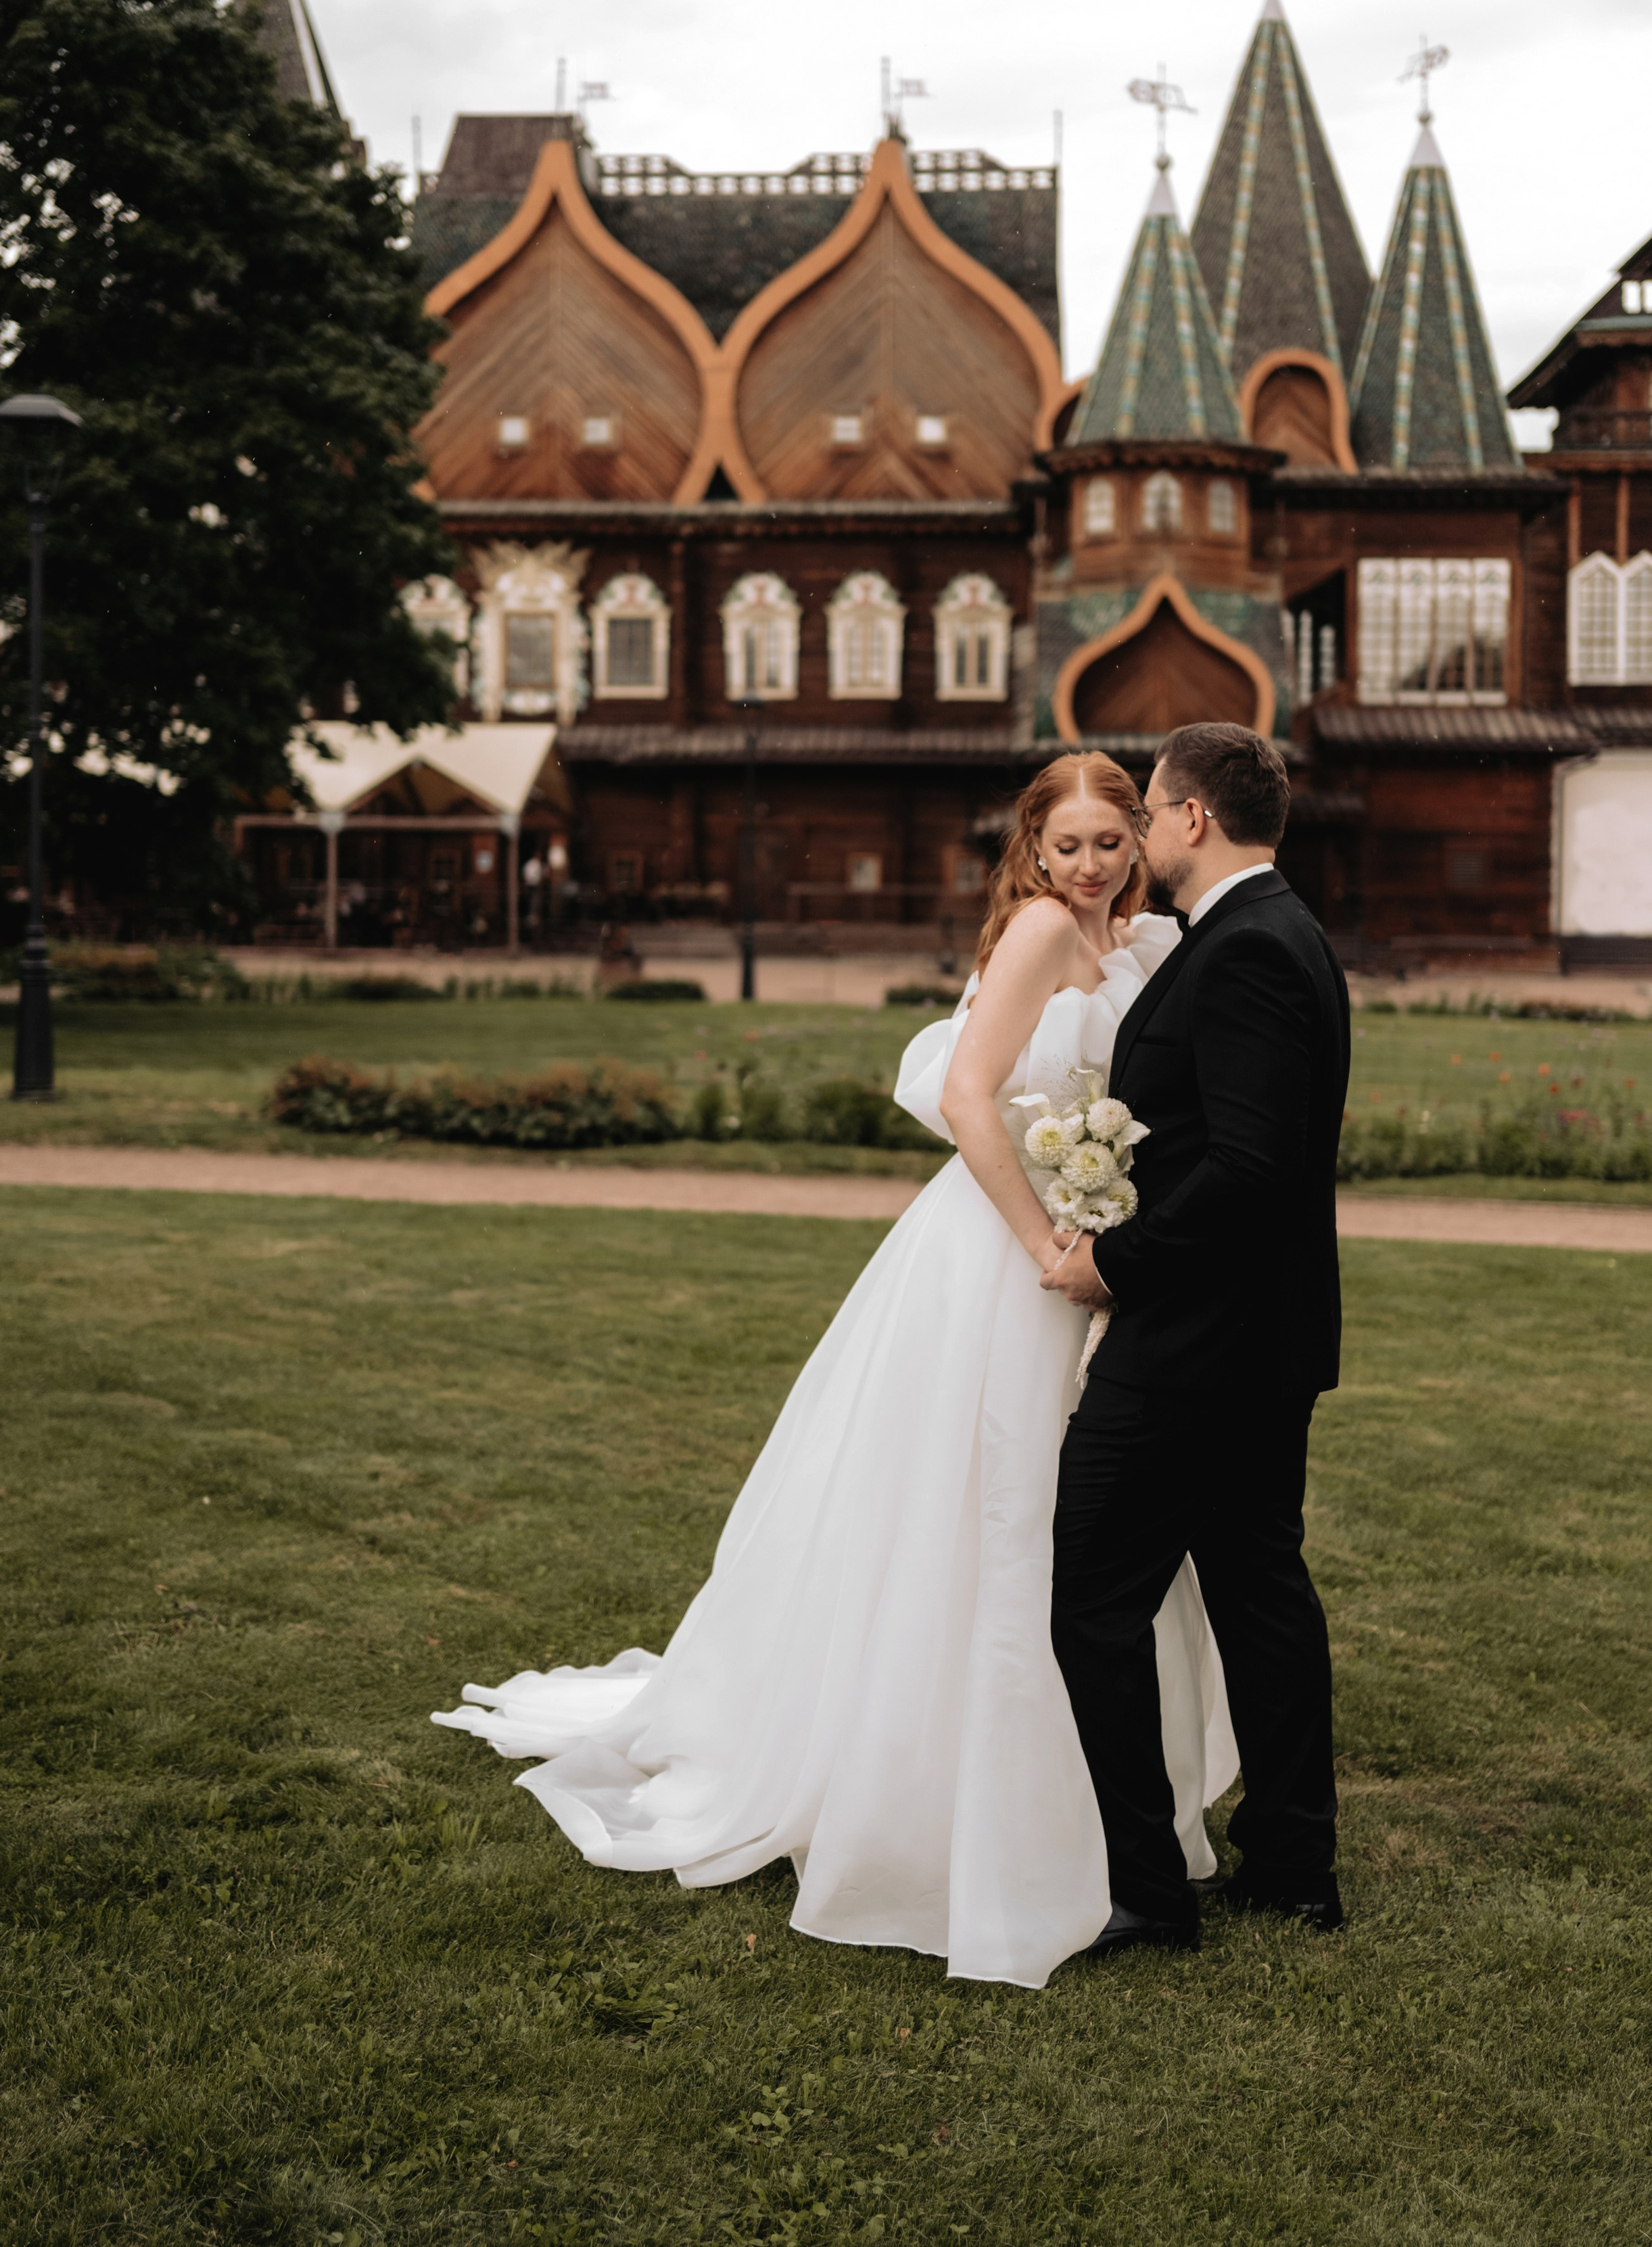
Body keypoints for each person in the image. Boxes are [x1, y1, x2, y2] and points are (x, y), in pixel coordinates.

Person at [432, 753, 1237, 1989]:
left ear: (1143, 839)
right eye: (1068, 845)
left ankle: (1097, 1801)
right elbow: (973, 1100)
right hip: (1001, 1244)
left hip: (1082, 1236)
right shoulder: (1034, 933)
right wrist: (1047, 1245)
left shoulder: (1135, 943)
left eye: (1112, 842)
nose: (1090, 865)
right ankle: (936, 1790)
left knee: (1069, 1516)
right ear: (1033, 848)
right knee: (982, 1500)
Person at [1041, 722, 1350, 1943]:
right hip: (1262, 1340)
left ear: (1191, 819)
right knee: (1261, 1592)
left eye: (1154, 813)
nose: (1148, 835)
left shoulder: (1249, 949)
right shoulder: (1280, 934)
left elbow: (1253, 1165)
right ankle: (1289, 1865)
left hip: (1199, 1346)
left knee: (1094, 1597)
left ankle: (1148, 1893)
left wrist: (1114, 1258)